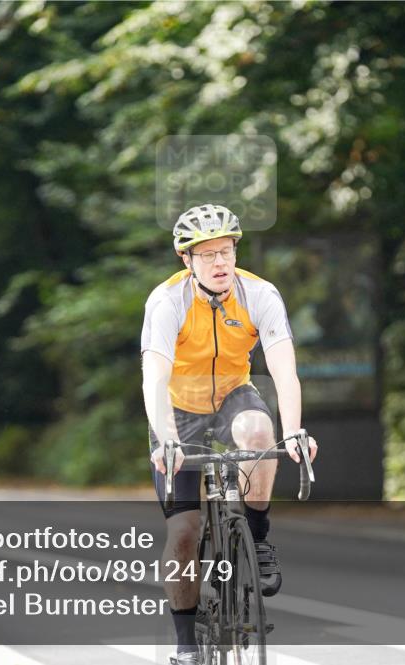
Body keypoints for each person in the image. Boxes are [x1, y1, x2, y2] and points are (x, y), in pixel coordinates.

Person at [141, 204, 318, 665]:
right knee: (183, 529)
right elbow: (154, 378)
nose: (220, 263)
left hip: (232, 397)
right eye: (208, 255)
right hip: (177, 409)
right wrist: (166, 439)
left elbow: (283, 370)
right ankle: (184, 645)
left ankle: (256, 539)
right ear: (187, 261)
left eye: (227, 251)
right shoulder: (167, 302)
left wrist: (295, 430)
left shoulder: (260, 294)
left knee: (261, 433)